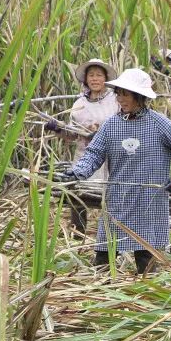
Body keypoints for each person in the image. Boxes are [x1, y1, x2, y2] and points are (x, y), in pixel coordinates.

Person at [59, 68, 171, 276]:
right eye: (118, 93)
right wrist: (78, 172)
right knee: (104, 256)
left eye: (126, 94)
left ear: (139, 97)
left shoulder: (158, 123)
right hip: (118, 199)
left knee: (145, 256)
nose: (120, 99)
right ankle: (101, 298)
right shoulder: (112, 125)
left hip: (148, 200)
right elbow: (94, 153)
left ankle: (148, 296)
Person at [44, 58, 120, 234]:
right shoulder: (79, 104)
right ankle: (78, 232)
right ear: (86, 79)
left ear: (105, 79)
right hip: (85, 155)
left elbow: (124, 125)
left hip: (110, 157)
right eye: (91, 75)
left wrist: (102, 133)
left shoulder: (115, 100)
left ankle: (109, 234)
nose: (95, 79)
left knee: (109, 194)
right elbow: (72, 135)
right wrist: (58, 128)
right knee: (78, 193)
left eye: (99, 75)